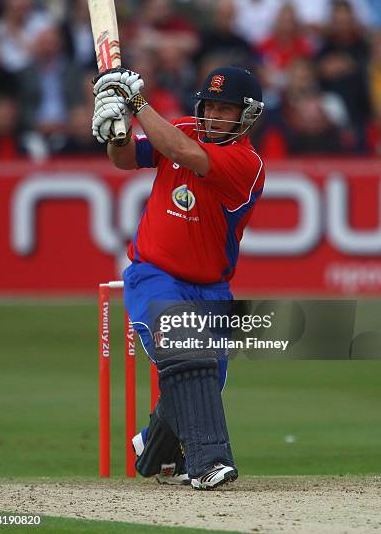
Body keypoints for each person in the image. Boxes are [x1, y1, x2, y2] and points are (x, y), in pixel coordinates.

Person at [91, 65, 265, 490]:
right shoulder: (183, 128)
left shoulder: (246, 163)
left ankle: (154, 448)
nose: (214, 116)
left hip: (212, 287)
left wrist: (136, 103)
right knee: (189, 352)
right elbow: (127, 159)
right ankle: (208, 462)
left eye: (226, 110)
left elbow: (186, 154)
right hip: (155, 273)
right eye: (210, 106)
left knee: (204, 379)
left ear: (247, 117)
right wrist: (117, 132)